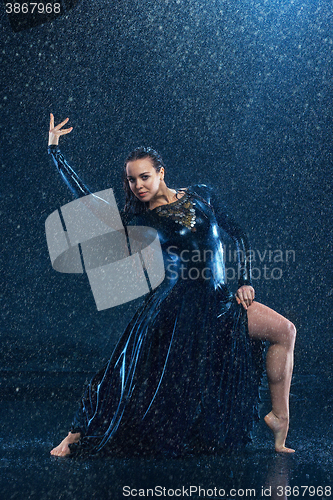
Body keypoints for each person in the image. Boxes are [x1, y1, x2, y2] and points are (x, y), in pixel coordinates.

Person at [47, 114, 296, 457]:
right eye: (131, 180)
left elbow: (238, 234)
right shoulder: (140, 217)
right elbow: (90, 204)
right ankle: (75, 436)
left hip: (222, 303)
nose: (138, 186)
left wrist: (246, 282)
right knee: (126, 376)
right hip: (176, 311)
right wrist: (56, 153)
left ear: (161, 172)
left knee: (285, 330)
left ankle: (279, 417)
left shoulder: (203, 195)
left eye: (145, 176)